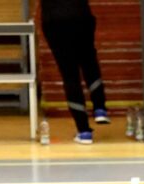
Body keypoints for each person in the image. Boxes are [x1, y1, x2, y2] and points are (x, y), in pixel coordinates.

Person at [39, 0, 109, 144]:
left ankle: (84, 132)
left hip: (54, 20)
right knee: (89, 61)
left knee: (69, 75)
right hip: (80, 15)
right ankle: (100, 108)